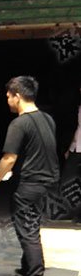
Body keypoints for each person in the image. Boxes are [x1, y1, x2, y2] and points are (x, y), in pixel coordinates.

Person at [0, 75, 59, 276]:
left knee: (28, 230)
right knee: (31, 225)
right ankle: (28, 269)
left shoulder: (19, 123)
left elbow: (9, 158)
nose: (7, 100)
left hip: (30, 184)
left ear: (17, 96)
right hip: (47, 182)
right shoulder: (47, 119)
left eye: (8, 96)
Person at [60, 87, 81, 222]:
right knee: (68, 180)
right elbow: (79, 128)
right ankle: (70, 211)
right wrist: (70, 147)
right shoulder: (79, 106)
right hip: (76, 148)